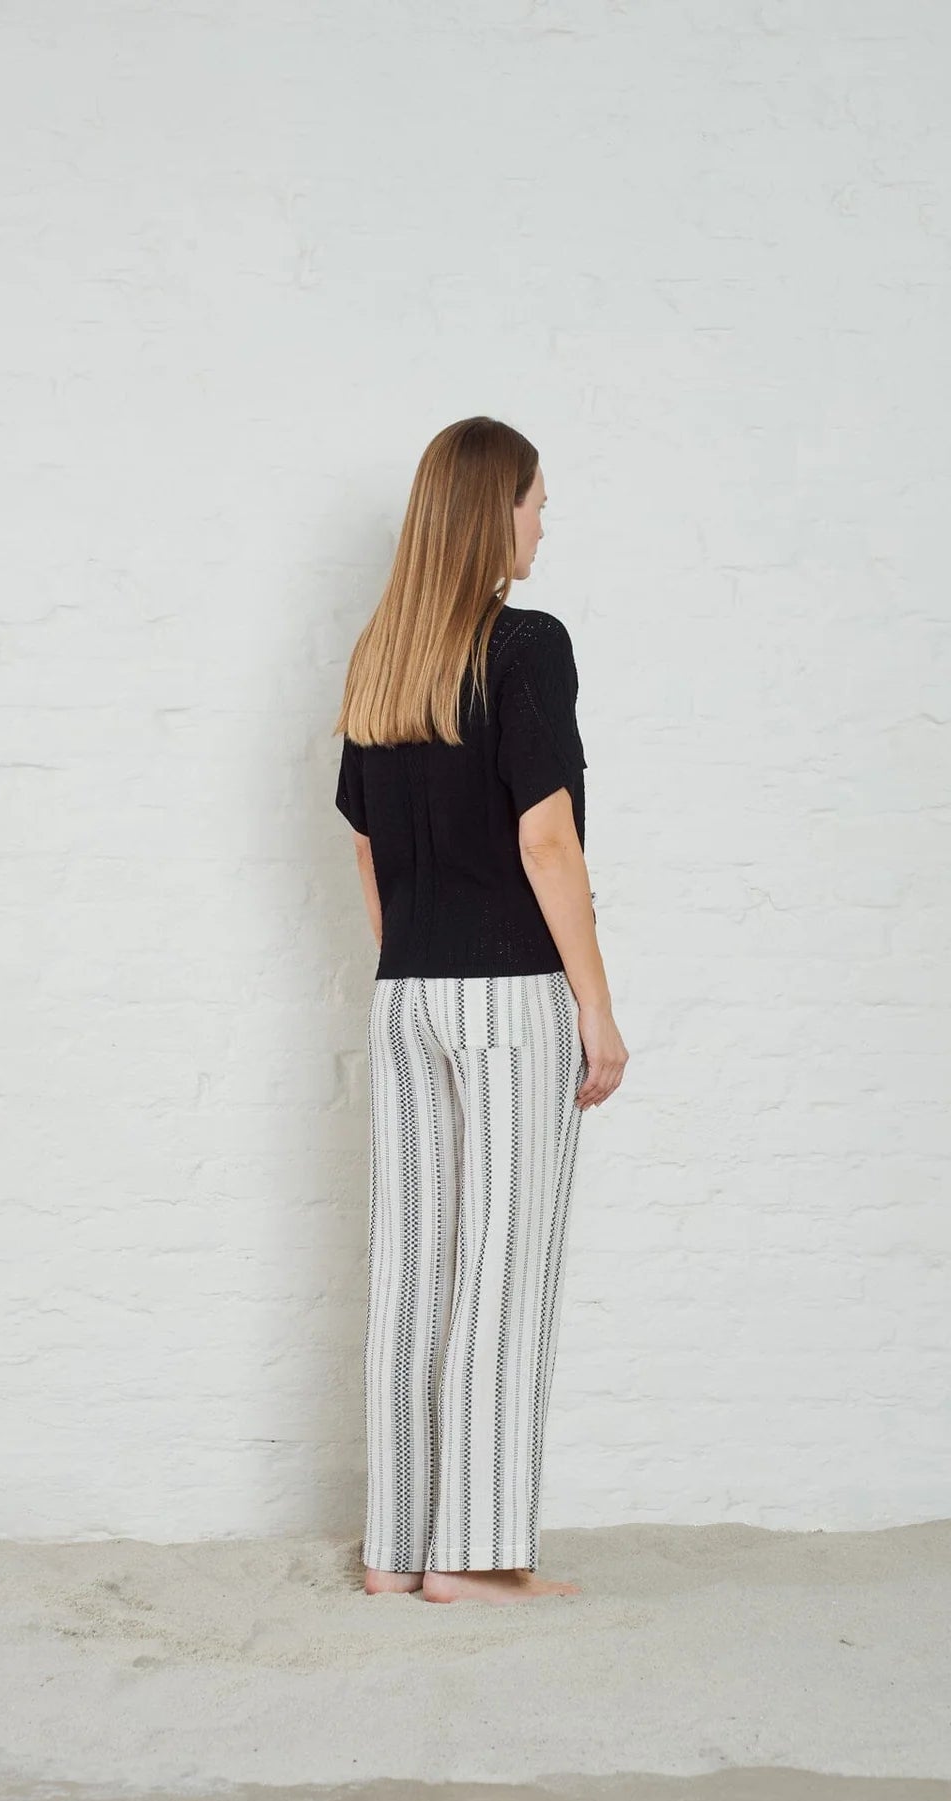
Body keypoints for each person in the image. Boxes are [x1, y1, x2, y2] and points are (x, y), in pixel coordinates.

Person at [333, 417, 629, 1607]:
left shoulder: (382, 658)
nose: (543, 523)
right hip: (510, 998)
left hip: (405, 996)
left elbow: (365, 845)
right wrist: (596, 1011)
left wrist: (415, 961)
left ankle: (398, 1551)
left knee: (410, 1269)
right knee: (505, 1265)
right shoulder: (527, 645)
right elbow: (546, 840)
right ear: (491, 512)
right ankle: (478, 1556)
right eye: (535, 501)